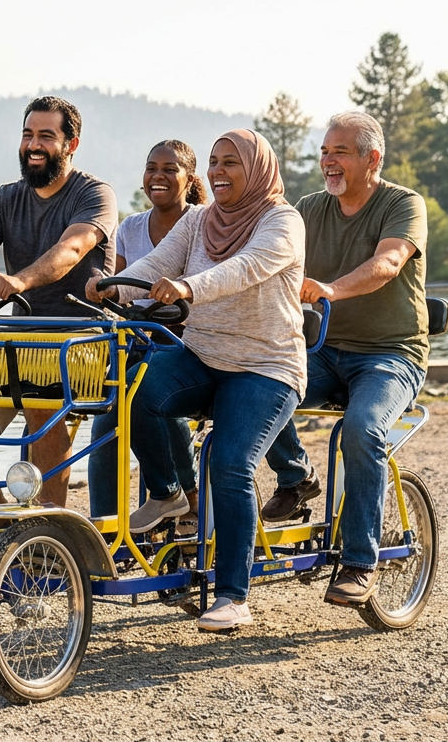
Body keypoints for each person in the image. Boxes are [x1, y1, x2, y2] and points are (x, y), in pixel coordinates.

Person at [86, 129, 305, 632]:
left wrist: (189, 285)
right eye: (214, 162)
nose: (219, 172)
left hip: (267, 366)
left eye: (232, 163)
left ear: (259, 170)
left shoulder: (282, 221)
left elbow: (247, 268)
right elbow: (156, 263)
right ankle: (167, 492)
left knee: (229, 462)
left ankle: (232, 595)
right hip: (204, 354)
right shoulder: (200, 220)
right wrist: (115, 285)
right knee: (133, 389)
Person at [259, 111, 429, 607]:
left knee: (362, 431)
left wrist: (331, 288)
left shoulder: (402, 204)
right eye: (324, 152)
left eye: (341, 152)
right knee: (253, 387)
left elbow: (389, 262)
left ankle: (361, 562)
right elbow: (266, 252)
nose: (328, 161)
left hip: (390, 354)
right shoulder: (310, 208)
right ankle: (296, 477)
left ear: (372, 159)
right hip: (322, 351)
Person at [0, 95, 118, 511]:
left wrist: (19, 280)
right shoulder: (5, 198)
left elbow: (72, 248)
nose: (34, 144)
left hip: (81, 339)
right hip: (20, 338)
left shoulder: (95, 194)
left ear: (71, 144)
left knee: (38, 398)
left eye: (46, 136)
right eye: (28, 134)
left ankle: (53, 521)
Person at [86, 140, 207, 522]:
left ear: (189, 179)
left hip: (187, 339)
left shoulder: (205, 224)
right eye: (151, 168)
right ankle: (103, 530)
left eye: (170, 169)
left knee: (151, 390)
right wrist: (104, 288)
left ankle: (184, 491)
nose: (158, 176)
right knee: (105, 421)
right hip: (140, 336)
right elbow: (122, 285)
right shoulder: (131, 227)